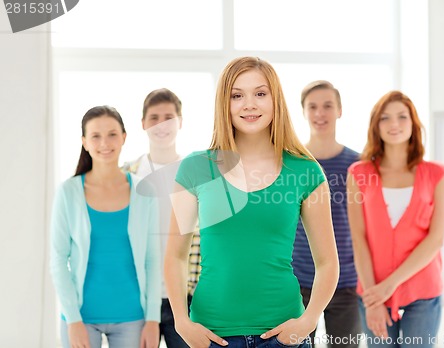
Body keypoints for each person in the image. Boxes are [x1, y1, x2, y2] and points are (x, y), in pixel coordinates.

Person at [164, 56, 340, 348]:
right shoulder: (195, 168)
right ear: (224, 103)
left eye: (260, 93)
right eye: (237, 95)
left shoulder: (305, 171)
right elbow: (175, 256)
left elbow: (327, 262)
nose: (249, 104)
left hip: (283, 335)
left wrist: (308, 321)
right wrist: (182, 322)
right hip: (211, 335)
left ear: (275, 101)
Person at [50, 105, 161, 348]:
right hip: (81, 318)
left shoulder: (145, 191)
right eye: (95, 136)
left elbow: (153, 259)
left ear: (124, 137)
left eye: (112, 134)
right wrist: (72, 319)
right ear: (85, 142)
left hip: (133, 317)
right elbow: (58, 259)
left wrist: (153, 319)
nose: (105, 143)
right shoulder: (68, 192)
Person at [346, 91, 444, 348]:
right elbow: (358, 239)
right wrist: (375, 297)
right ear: (375, 125)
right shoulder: (359, 173)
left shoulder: (437, 174)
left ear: (413, 123)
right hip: (372, 290)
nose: (394, 124)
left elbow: (435, 240)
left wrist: (388, 287)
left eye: (402, 117)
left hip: (422, 290)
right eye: (385, 118)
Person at [292, 80, 361, 348]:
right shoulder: (292, 162)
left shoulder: (358, 164)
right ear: (304, 112)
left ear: (339, 111)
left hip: (346, 284)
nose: (320, 113)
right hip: (298, 282)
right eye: (313, 107)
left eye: (327, 106)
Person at [122, 88, 191, 347]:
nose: (161, 125)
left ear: (180, 122)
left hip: (184, 298)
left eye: (168, 117)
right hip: (137, 296)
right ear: (143, 124)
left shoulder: (195, 174)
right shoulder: (127, 174)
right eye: (154, 117)